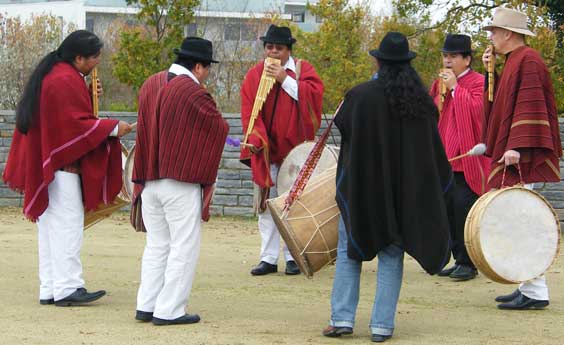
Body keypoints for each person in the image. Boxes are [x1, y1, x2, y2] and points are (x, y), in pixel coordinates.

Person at [321, 32, 453, 343]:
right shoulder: (421, 104)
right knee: (392, 254)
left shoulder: (359, 96)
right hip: (403, 194)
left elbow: (346, 133)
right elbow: (433, 155)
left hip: (363, 190)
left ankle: (341, 319)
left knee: (349, 250)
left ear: (378, 60)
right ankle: (382, 326)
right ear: (407, 65)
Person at [2, 30, 132, 307]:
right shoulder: (63, 79)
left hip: (49, 164)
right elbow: (74, 126)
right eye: (94, 57)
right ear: (79, 57)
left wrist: (85, 92)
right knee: (68, 227)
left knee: (50, 229)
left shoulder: (56, 74)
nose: (97, 62)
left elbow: (65, 119)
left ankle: (49, 287)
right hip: (63, 168)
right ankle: (68, 287)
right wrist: (111, 128)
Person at [131, 37, 228, 325]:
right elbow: (219, 128)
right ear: (198, 66)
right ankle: (169, 309)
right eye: (207, 68)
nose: (207, 73)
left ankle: (146, 305)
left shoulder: (150, 83)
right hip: (180, 180)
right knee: (183, 246)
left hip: (149, 179)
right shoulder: (193, 92)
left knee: (157, 245)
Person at [481, 7, 561, 310]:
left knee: (524, 223)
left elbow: (530, 106)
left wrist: (516, 146)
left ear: (508, 34)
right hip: (516, 154)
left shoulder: (529, 61)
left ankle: (536, 290)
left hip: (521, 156)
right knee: (518, 222)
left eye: (494, 32)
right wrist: (491, 72)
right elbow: (505, 100)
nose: (491, 37)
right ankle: (528, 285)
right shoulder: (514, 61)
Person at [239, 24, 324, 276]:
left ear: (288, 50)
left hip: (296, 151)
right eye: (269, 47)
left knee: (293, 205)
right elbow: (248, 111)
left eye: (279, 48)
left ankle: (293, 256)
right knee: (267, 205)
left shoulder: (302, 70)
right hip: (267, 150)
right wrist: (257, 137)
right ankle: (268, 257)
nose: (273, 53)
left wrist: (284, 80)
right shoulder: (254, 75)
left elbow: (314, 100)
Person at [429, 34, 490, 281]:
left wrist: (455, 88)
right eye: (445, 55)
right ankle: (457, 258)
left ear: (467, 59)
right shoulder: (439, 83)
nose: (448, 60)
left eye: (453, 56)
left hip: (469, 158)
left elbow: (477, 112)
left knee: (464, 208)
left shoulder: (479, 82)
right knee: (447, 210)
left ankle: (469, 262)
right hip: (446, 156)